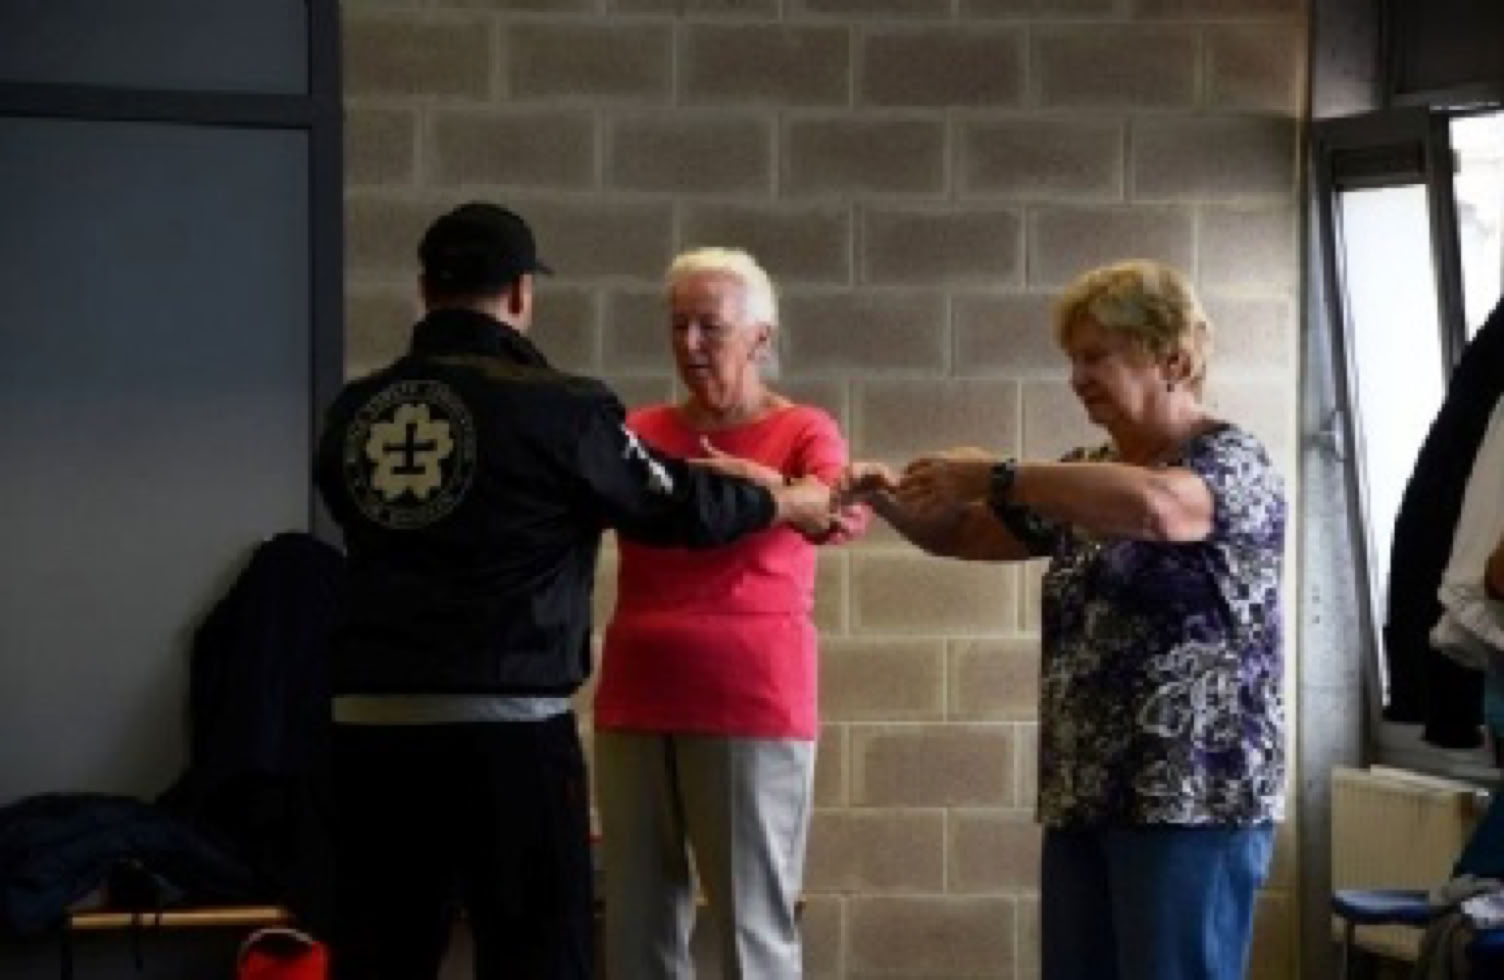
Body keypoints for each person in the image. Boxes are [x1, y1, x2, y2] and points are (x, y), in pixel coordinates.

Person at [313, 204, 834, 980]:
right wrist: (781, 501)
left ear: (423, 290)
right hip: (508, 732)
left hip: (369, 731)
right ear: (521, 293)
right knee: (534, 955)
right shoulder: (555, 406)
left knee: (381, 956)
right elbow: (667, 502)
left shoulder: (357, 411)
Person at [841, 259, 1286, 980]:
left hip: (1191, 800)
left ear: (1171, 357)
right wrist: (883, 500)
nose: (1077, 378)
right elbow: (967, 534)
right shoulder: (1088, 470)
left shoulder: (1233, 462)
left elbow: (1160, 508)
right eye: (1072, 360)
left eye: (1095, 357)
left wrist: (1003, 474)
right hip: (1086, 791)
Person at [592, 247, 867, 980]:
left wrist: (759, 484)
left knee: (752, 923)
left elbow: (833, 509)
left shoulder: (804, 429)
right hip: (636, 693)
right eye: (678, 326)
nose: (689, 345)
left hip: (750, 700)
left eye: (709, 327)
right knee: (637, 919)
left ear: (760, 339)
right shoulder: (639, 430)